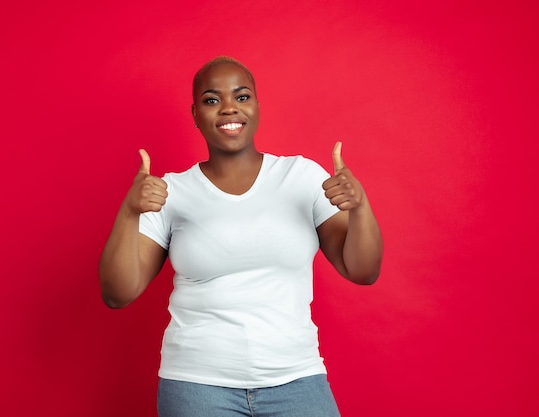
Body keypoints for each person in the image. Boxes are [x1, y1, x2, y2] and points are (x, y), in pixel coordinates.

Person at [99, 56, 383, 417]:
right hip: (196, 386)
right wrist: (129, 212)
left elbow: (363, 271)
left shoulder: (302, 177)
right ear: (195, 114)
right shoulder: (171, 191)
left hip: (296, 379)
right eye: (212, 99)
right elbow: (117, 294)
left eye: (242, 96)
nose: (229, 108)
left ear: (257, 107)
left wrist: (360, 207)